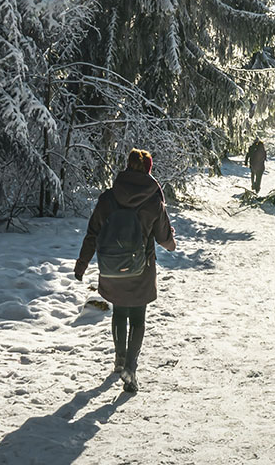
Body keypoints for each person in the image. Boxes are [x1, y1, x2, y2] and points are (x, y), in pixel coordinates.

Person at [75, 148, 176, 395]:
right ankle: (130, 369)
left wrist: (82, 264)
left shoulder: (108, 197)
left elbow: (93, 232)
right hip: (141, 268)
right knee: (138, 318)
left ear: (127, 167)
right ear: (149, 170)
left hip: (111, 268)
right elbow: (164, 237)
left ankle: (119, 360)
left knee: (119, 311)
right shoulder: (153, 200)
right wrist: (172, 242)